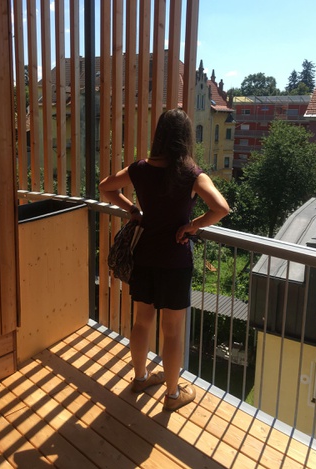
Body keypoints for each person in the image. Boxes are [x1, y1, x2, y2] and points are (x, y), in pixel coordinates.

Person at [99, 108, 229, 412]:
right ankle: (172, 395)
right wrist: (193, 225)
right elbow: (221, 208)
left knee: (141, 322)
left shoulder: (140, 168)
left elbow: (105, 187)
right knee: (171, 332)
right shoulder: (191, 173)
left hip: (143, 256)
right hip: (175, 261)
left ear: (159, 135)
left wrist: (133, 210)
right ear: (185, 137)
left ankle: (140, 378)